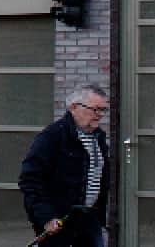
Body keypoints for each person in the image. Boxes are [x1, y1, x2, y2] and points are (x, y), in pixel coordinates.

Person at [19, 84, 113, 246]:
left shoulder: (99, 138)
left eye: (103, 110)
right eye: (95, 109)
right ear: (74, 107)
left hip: (89, 220)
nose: (99, 115)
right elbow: (30, 180)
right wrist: (46, 217)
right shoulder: (52, 137)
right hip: (59, 221)